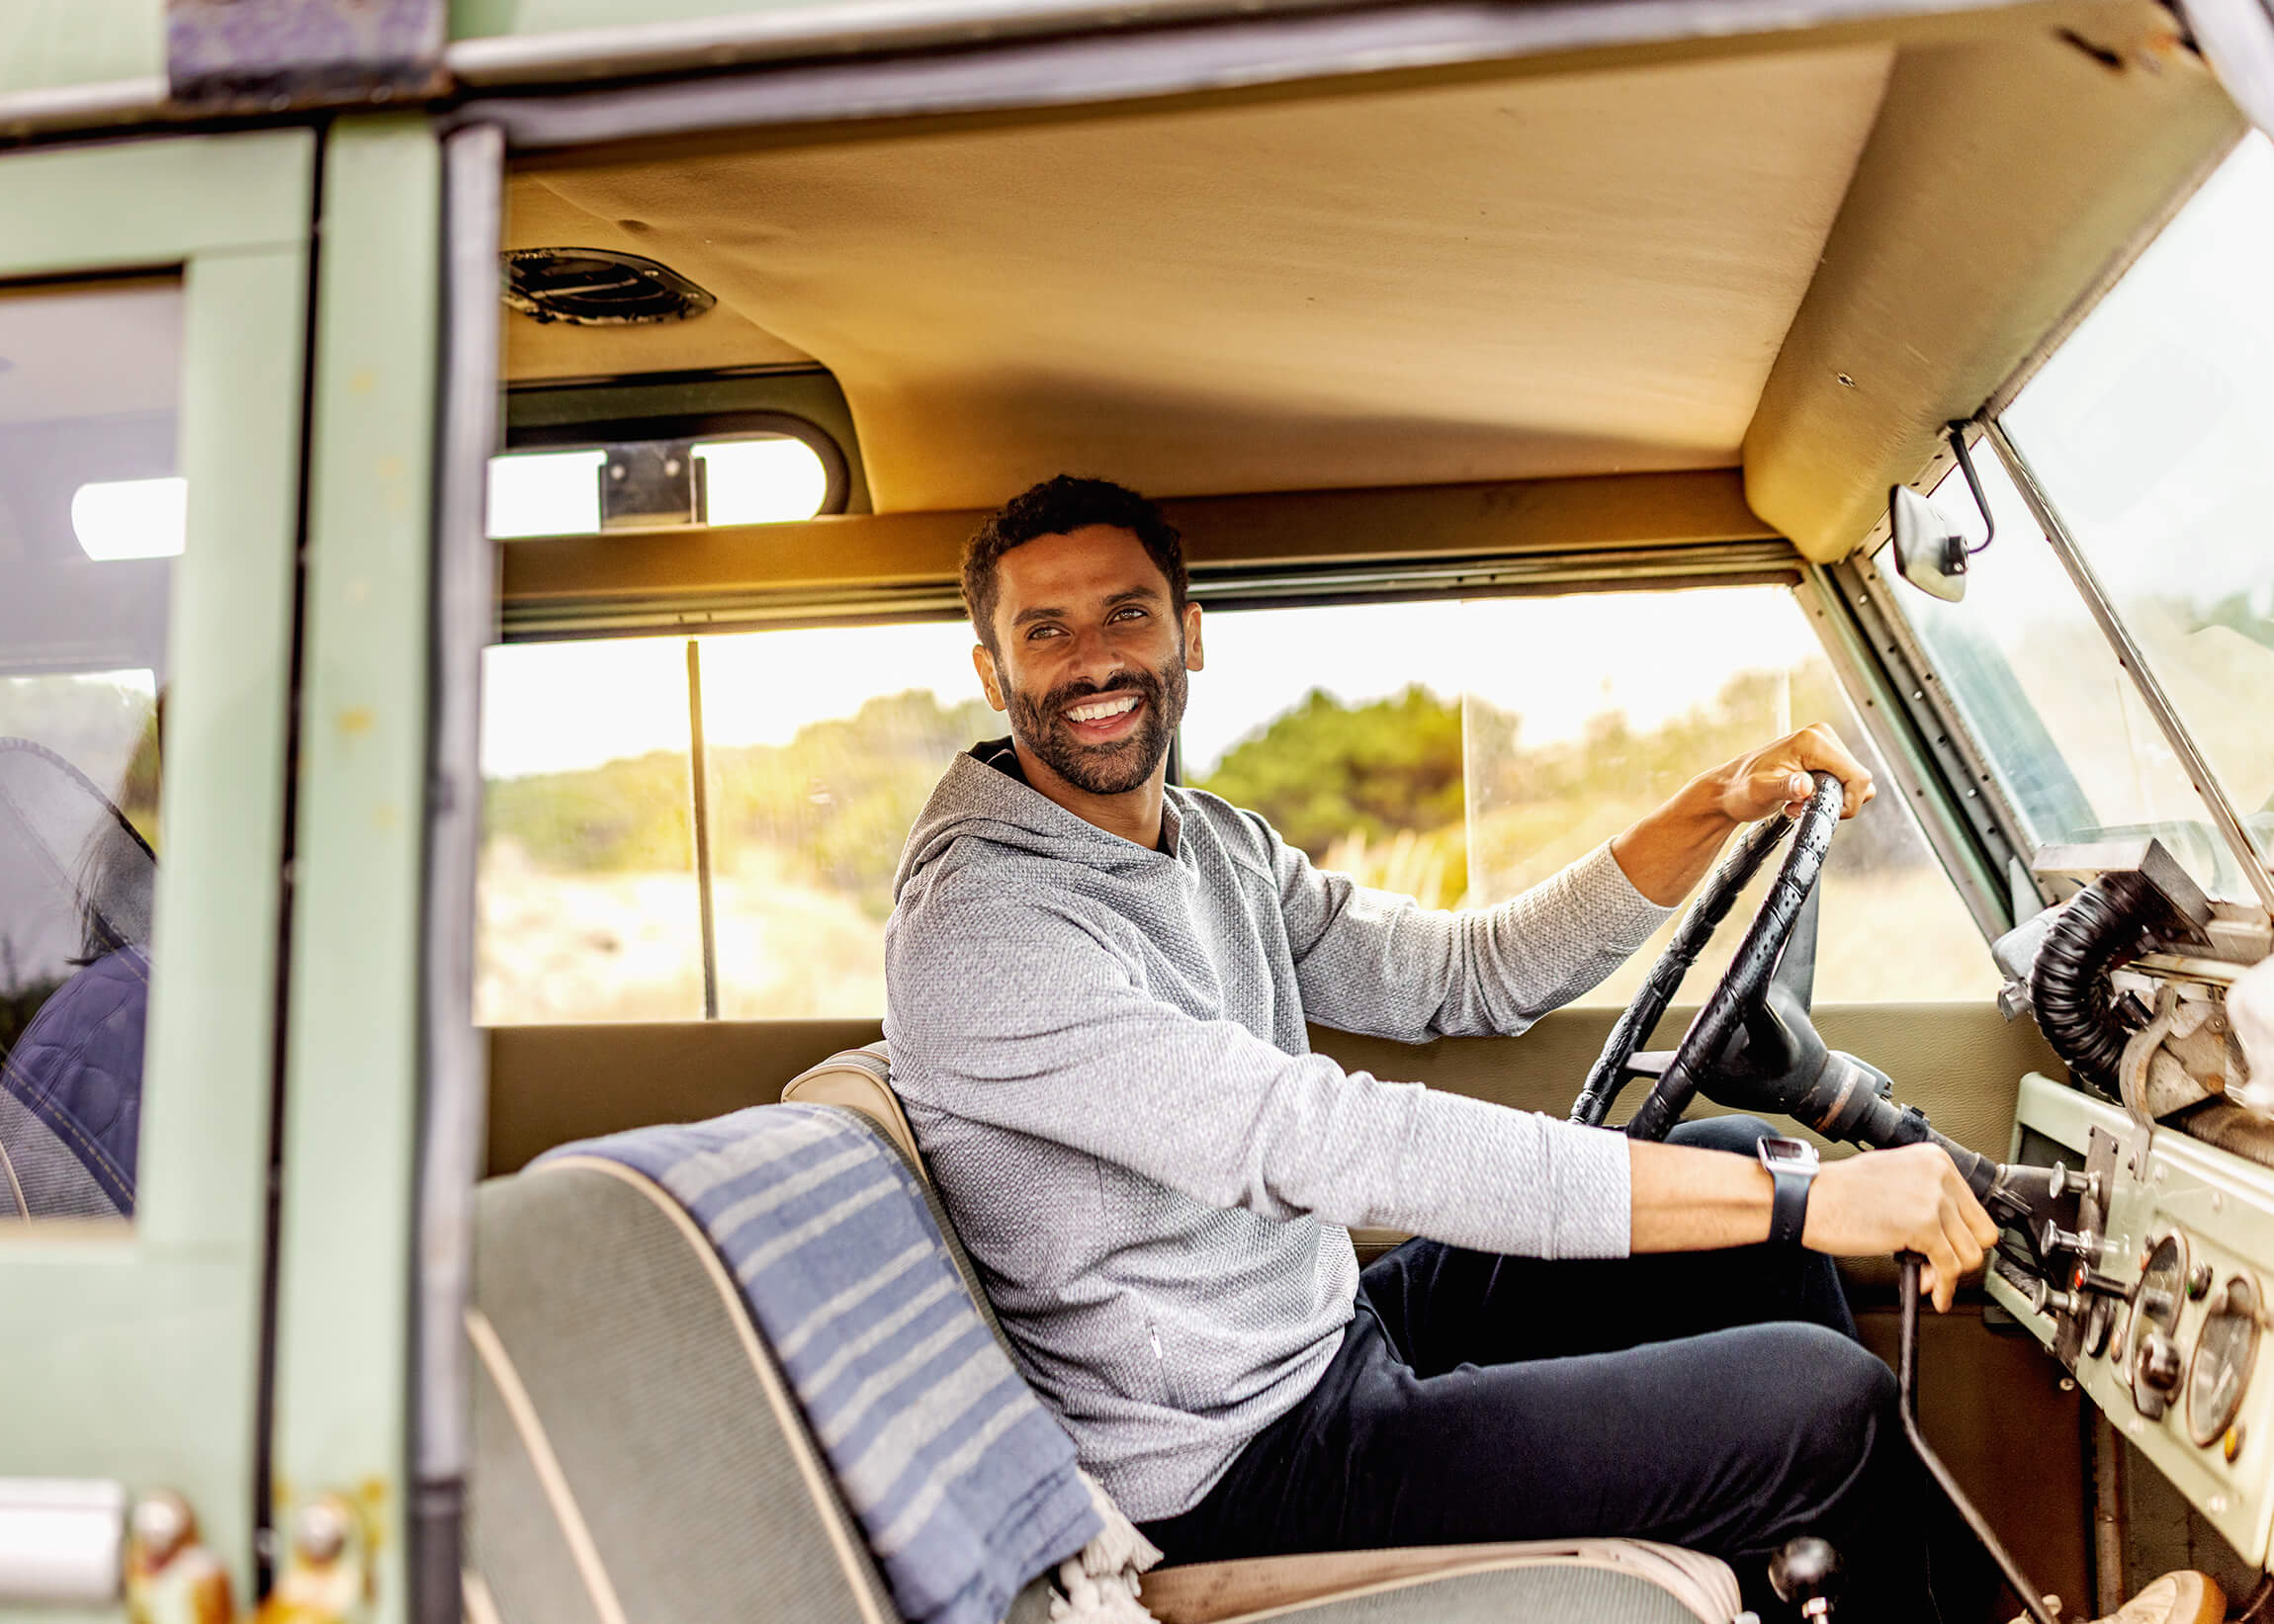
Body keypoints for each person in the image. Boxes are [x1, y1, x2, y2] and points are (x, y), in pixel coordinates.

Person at [882, 475, 1999, 1620]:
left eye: (1125, 613)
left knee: (1741, 1184)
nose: (1092, 660)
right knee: (1821, 1402)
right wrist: (1803, 1198)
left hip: (1326, 1335)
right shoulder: (983, 928)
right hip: (1225, 1463)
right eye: (1044, 629)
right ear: (992, 668)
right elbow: (1322, 1137)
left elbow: (1462, 973)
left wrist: (1708, 810)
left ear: (1188, 635)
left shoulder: (1213, 843)